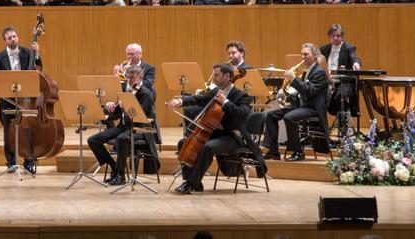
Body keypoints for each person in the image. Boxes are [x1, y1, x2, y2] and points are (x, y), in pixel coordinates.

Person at [166, 63, 251, 194]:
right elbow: (199, 99)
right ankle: (195, 182)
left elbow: (243, 115)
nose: (214, 78)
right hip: (214, 133)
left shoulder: (241, 96)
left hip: (231, 136)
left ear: (227, 76)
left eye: (217, 75)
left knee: (208, 147)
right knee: (183, 143)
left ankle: (190, 183)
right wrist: (180, 101)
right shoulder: (216, 91)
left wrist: (226, 102)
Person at [0, 26, 41, 172]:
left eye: (14, 36)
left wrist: (37, 54)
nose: (13, 39)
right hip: (7, 100)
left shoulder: (28, 52)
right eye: (9, 38)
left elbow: (38, 69)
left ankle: (28, 162)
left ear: (17, 37)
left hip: (26, 100)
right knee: (8, 132)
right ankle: (11, 163)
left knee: (28, 131)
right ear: (5, 41)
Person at [88, 65, 157, 186]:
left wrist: (127, 106)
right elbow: (115, 116)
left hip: (140, 129)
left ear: (140, 77)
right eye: (128, 78)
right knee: (93, 140)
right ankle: (114, 167)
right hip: (123, 127)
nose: (129, 80)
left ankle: (121, 175)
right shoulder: (127, 92)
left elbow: (140, 117)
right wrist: (111, 107)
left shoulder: (145, 94)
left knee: (121, 139)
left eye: (132, 77)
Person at [262, 43, 329, 161]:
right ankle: (273, 151)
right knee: (271, 115)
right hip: (301, 106)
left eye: (306, 54)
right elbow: (301, 90)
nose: (303, 57)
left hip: (313, 108)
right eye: (302, 54)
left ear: (315, 56)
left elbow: (309, 91)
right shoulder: (306, 71)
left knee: (289, 117)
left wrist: (293, 79)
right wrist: (288, 93)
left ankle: (298, 152)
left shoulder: (319, 72)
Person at [321, 24, 362, 120]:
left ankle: (343, 127)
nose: (335, 38)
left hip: (343, 82)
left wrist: (356, 63)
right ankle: (319, 128)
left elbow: (354, 57)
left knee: (341, 95)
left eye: (338, 35)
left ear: (342, 36)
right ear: (329, 37)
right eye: (333, 35)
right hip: (327, 82)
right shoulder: (324, 49)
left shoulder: (349, 48)